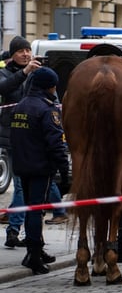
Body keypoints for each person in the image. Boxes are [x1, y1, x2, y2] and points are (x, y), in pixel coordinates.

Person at [9, 66, 70, 275]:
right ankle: (34, 255)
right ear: (48, 87)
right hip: (41, 168)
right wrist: (65, 170)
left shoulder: (21, 105)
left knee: (30, 209)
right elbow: (56, 144)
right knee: (37, 210)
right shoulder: (47, 110)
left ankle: (36, 248)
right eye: (54, 86)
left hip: (22, 166)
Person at [0, 35, 42, 249]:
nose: (25, 54)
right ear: (13, 54)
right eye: (20, 51)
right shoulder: (5, 72)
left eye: (27, 50)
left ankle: (25, 232)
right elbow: (5, 89)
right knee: (20, 186)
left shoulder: (37, 72)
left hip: (34, 136)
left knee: (32, 188)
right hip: (13, 136)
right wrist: (25, 73)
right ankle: (14, 230)